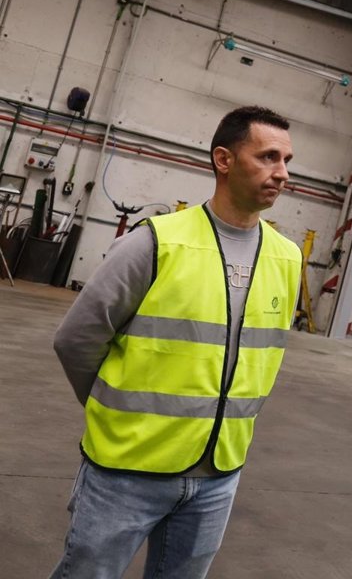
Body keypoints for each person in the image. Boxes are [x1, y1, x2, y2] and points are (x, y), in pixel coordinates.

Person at [50, 105, 302, 578]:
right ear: (224, 160)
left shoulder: (287, 258)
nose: (282, 173)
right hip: (127, 469)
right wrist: (115, 412)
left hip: (219, 474)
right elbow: (77, 339)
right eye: (268, 157)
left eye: (287, 160)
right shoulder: (154, 243)